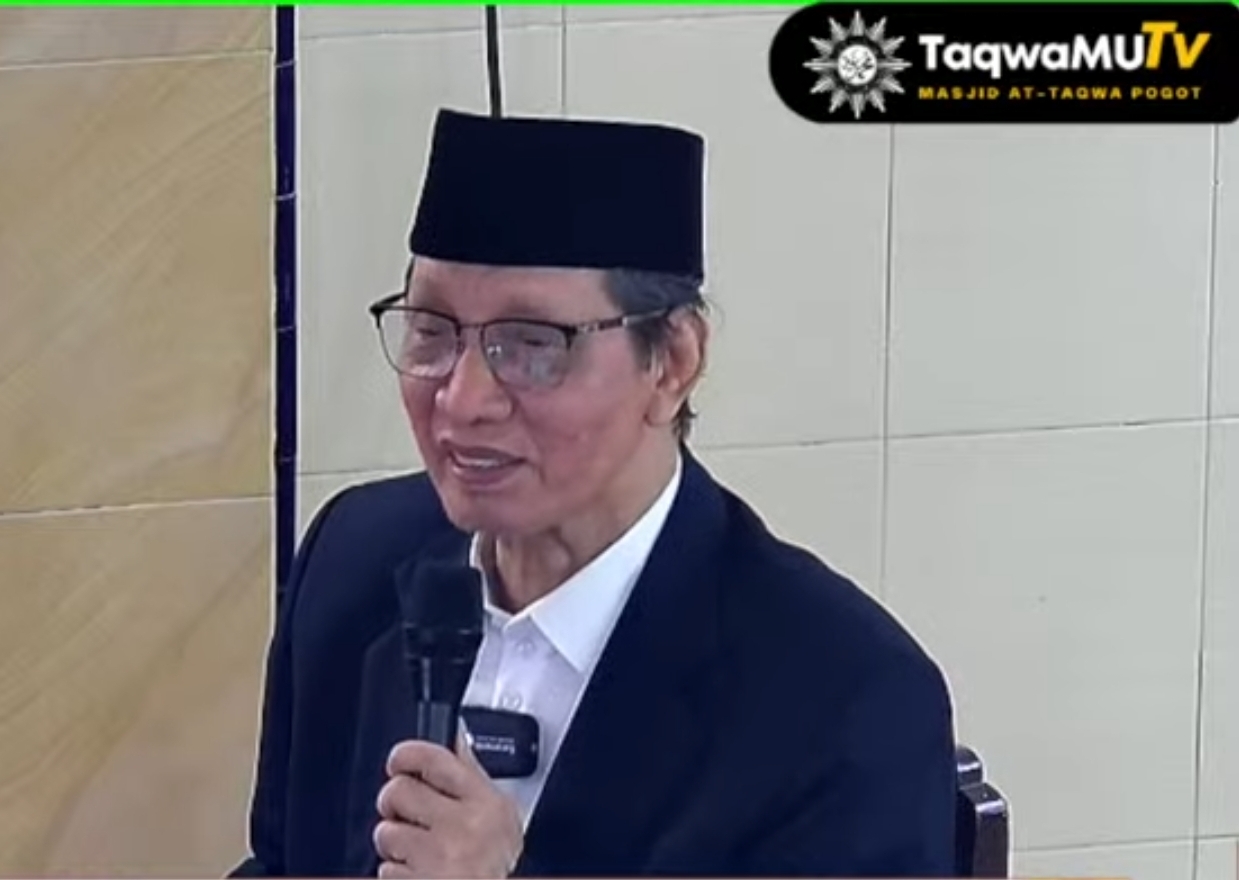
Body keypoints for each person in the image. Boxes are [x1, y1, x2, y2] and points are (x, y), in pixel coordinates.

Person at [230, 107, 958, 879]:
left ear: (672, 363)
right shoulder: (355, 559)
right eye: (432, 332)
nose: (462, 400)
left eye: (531, 346)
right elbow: (282, 865)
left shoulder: (843, 698)